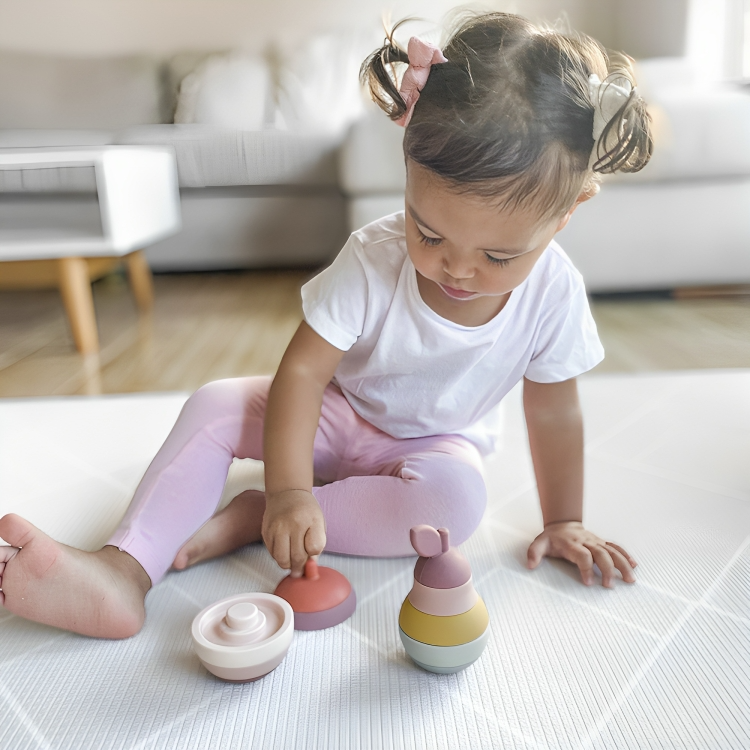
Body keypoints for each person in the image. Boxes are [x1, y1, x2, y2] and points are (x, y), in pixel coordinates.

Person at [0, 12, 652, 639]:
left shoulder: (555, 291)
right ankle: (122, 571)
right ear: (406, 172)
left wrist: (564, 519)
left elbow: (554, 411)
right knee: (215, 405)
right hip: (334, 415)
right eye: (429, 231)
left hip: (431, 446)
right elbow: (303, 374)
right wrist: (289, 487)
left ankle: (257, 518)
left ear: (563, 217)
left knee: (455, 507)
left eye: (498, 257)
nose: (455, 268)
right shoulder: (374, 256)